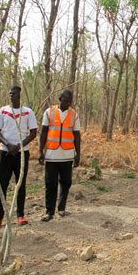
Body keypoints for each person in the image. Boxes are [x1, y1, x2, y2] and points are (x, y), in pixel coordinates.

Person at [0, 86, 38, 229]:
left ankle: (20, 215)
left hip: (22, 153)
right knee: (1, 185)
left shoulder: (28, 112)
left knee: (20, 184)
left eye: (14, 93)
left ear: (19, 95)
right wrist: (8, 145)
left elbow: (33, 133)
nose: (11, 95)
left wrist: (18, 146)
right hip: (5, 153)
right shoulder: (3, 110)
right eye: (9, 93)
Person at [38, 89, 81, 222]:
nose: (67, 103)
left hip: (67, 155)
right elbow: (44, 132)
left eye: (69, 101)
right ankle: (49, 212)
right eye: (65, 101)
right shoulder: (49, 112)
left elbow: (77, 135)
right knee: (50, 184)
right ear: (60, 99)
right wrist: (40, 151)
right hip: (51, 155)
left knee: (66, 182)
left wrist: (78, 154)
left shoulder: (74, 115)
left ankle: (61, 208)